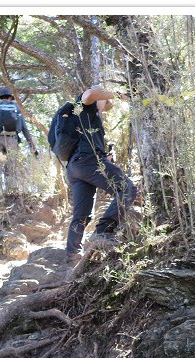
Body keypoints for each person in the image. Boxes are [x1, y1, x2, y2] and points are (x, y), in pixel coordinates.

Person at [64, 85, 138, 266]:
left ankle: (72, 256)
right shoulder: (86, 105)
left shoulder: (88, 118)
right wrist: (121, 95)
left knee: (81, 214)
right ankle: (103, 231)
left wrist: (105, 157)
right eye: (105, 102)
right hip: (88, 161)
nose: (107, 105)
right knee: (127, 188)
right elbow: (90, 93)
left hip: (75, 166)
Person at [0, 86, 38, 191]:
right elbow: (24, 128)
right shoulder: (16, 107)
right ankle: (11, 192)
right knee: (11, 169)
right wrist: (32, 146)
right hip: (12, 140)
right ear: (10, 98)